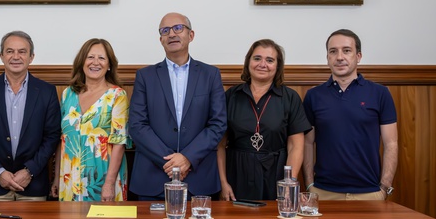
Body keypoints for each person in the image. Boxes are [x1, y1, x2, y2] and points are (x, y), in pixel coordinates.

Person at [128, 13, 227, 200]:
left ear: (191, 35)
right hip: (153, 179)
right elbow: (137, 125)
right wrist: (172, 163)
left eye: (178, 28)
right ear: (161, 40)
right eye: (165, 31)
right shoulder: (145, 76)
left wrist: (187, 157)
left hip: (198, 180)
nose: (172, 34)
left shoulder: (210, 74)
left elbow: (218, 124)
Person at [302, 29, 398, 200]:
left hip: (370, 193)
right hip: (324, 193)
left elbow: (391, 143)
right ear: (327, 58)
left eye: (346, 50)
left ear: (358, 56)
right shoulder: (313, 96)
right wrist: (310, 185)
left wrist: (384, 186)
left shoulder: (380, 93)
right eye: (333, 51)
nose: (339, 57)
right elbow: (307, 143)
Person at [217, 39, 311, 201]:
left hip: (276, 174)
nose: (263, 64)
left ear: (277, 66)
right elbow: (219, 145)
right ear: (248, 62)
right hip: (237, 173)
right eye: (257, 58)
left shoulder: (290, 98)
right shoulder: (231, 96)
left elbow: (296, 146)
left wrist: (289, 182)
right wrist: (223, 183)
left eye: (270, 60)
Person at [0, 31, 60, 201]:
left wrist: (29, 171)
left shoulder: (46, 91)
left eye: (22, 51)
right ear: (1, 56)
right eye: (10, 51)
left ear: (31, 57)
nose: (16, 56)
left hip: (33, 185)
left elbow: (52, 136)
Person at [51, 38, 130, 201]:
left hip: (102, 180)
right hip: (69, 180)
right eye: (90, 57)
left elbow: (119, 143)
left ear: (109, 65)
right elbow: (62, 140)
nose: (95, 62)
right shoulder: (68, 94)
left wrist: (108, 184)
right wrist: (56, 177)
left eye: (101, 58)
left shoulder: (117, 96)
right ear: (82, 62)